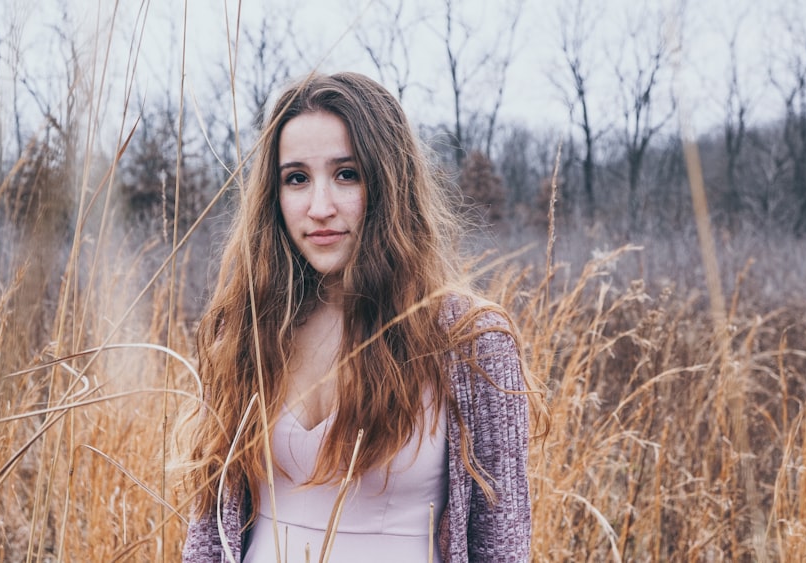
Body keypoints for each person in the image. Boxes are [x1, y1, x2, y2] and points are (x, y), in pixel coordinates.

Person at [179, 71, 543, 563]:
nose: (320, 207)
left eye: (347, 174)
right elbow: (207, 532)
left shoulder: (469, 339)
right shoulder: (247, 326)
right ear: (274, 194)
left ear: (390, 185)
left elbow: (502, 545)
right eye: (297, 178)